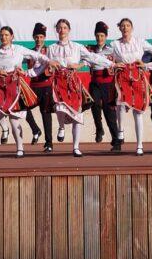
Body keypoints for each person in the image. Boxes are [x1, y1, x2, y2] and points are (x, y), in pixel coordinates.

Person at [42, 19, 114, 157]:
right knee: (59, 107)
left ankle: (76, 147)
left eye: (64, 27)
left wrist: (110, 64)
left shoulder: (77, 47)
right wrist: (35, 71)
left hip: (73, 82)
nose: (62, 30)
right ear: (56, 30)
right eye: (60, 28)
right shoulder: (51, 48)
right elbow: (44, 63)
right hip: (58, 82)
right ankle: (61, 126)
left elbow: (92, 57)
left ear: (69, 30)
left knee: (77, 115)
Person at [0, 26, 50, 157]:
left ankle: (20, 148)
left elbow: (38, 56)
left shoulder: (19, 49)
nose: (3, 37)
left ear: (12, 37)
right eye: (1, 35)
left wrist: (33, 71)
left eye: (6, 35)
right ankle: (4, 129)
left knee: (14, 119)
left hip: (14, 85)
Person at [111, 18, 152, 156]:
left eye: (128, 25)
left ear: (132, 28)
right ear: (119, 28)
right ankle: (120, 130)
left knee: (138, 112)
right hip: (123, 76)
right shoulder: (114, 44)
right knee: (120, 102)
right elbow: (102, 56)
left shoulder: (139, 41)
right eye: (123, 26)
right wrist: (113, 64)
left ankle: (139, 145)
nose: (125, 28)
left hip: (137, 76)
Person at [87, 21, 122, 151]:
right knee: (94, 104)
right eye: (97, 35)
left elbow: (120, 62)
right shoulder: (90, 49)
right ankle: (99, 128)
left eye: (102, 35)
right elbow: (84, 60)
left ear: (106, 36)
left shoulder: (112, 50)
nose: (99, 38)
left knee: (109, 112)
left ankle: (116, 141)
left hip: (108, 84)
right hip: (95, 82)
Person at [25, 23, 55, 152]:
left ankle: (49, 143)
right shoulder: (29, 52)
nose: (39, 39)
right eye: (36, 37)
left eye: (41, 37)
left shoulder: (49, 50)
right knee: (22, 107)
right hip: (33, 86)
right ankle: (35, 129)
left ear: (44, 38)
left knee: (46, 113)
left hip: (46, 85)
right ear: (33, 38)